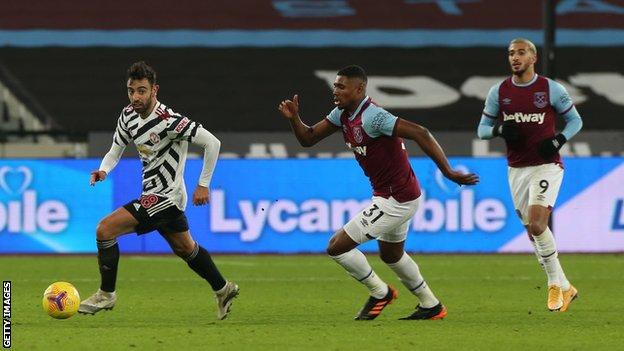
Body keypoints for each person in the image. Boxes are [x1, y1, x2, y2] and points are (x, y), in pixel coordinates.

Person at [278, 65, 478, 320]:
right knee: (391, 254)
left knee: (336, 247)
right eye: (335, 85)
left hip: (397, 199)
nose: (335, 90)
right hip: (394, 195)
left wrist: (448, 172)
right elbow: (308, 138)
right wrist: (295, 118)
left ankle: (380, 292)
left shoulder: (374, 117)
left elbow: (421, 132)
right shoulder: (341, 115)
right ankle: (431, 305)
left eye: (341, 86)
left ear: (359, 89)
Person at [78, 61, 239, 319]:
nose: (135, 97)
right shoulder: (128, 115)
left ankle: (106, 294)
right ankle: (223, 288)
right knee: (186, 248)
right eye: (131, 90)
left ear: (155, 90)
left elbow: (212, 143)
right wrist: (103, 170)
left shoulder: (169, 121)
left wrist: (203, 184)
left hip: (166, 197)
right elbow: (115, 148)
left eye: (142, 90)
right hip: (153, 195)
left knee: (105, 229)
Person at [477, 38, 583, 312]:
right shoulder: (499, 92)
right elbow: (482, 129)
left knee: (537, 225)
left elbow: (576, 121)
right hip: (516, 169)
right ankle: (567, 287)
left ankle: (553, 286)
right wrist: (499, 130)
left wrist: (558, 140)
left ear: (533, 58)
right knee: (533, 234)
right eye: (511, 53)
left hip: (546, 165)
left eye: (521, 52)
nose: (515, 57)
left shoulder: (550, 88)